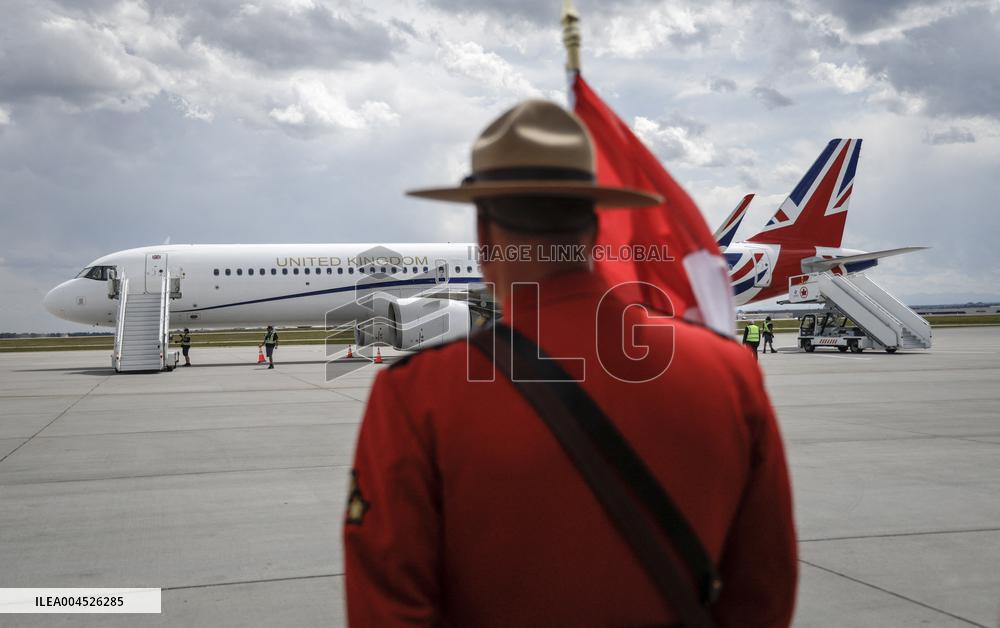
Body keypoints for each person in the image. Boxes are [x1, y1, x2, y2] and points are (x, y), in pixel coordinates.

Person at [343, 100, 797, 627]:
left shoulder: (419, 394)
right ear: (596, 228)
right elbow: (765, 591)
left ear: (485, 236)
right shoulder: (729, 371)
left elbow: (388, 608)